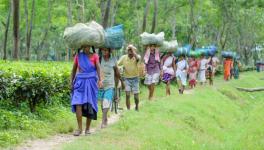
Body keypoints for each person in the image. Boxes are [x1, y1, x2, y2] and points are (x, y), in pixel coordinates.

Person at [71, 45, 102, 136]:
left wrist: (100, 80)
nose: (86, 48)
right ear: (81, 47)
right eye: (84, 47)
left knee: (90, 104)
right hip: (80, 82)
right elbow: (73, 70)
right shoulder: (78, 56)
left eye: (87, 46)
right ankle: (79, 129)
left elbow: (98, 68)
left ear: (90, 46)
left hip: (91, 82)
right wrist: (71, 82)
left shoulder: (95, 56)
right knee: (78, 103)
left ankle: (87, 129)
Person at [98, 47, 120, 128]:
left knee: (106, 102)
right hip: (100, 85)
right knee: (102, 104)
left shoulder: (113, 60)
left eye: (106, 50)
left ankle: (103, 121)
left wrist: (116, 87)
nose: (104, 51)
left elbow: (117, 74)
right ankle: (105, 118)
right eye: (103, 50)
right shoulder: (99, 59)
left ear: (109, 51)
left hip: (110, 85)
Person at [117, 44, 141, 111]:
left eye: (131, 50)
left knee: (136, 96)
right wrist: (120, 68)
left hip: (135, 78)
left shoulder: (137, 57)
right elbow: (117, 64)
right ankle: (128, 110)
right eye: (129, 50)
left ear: (134, 51)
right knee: (127, 94)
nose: (130, 51)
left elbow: (138, 59)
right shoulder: (124, 57)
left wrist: (132, 49)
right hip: (127, 79)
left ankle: (136, 107)